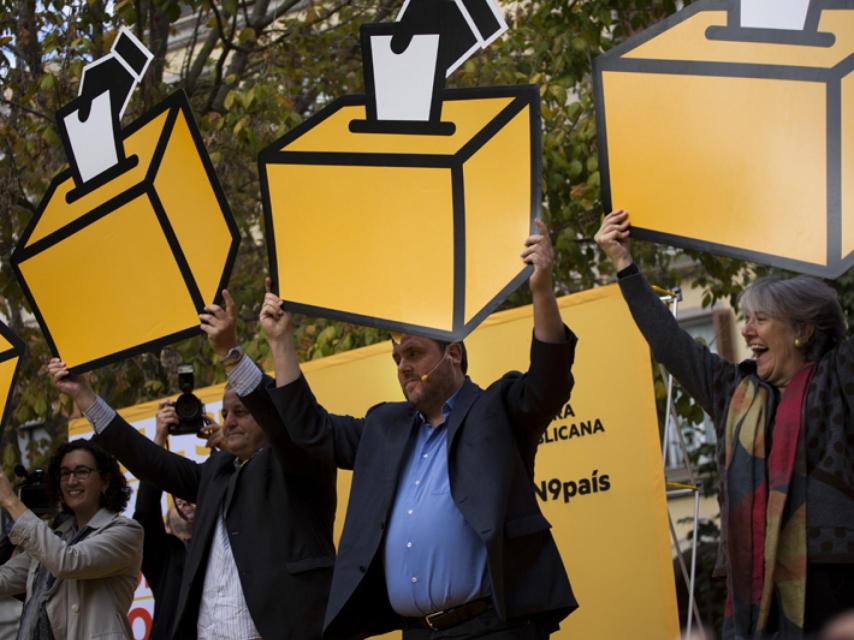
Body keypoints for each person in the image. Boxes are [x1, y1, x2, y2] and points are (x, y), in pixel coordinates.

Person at [258, 218, 577, 638]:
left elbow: (549, 381)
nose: (403, 366)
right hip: (418, 632)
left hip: (493, 629)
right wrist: (281, 342)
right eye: (396, 358)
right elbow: (310, 430)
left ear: (455, 355)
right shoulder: (384, 426)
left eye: (414, 353)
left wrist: (541, 288)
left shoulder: (495, 409)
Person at [595, 209, 854, 638]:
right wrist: (623, 264)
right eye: (746, 318)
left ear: (802, 332)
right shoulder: (731, 390)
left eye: (759, 319)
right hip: (752, 586)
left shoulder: (838, 379)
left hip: (831, 580)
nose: (747, 329)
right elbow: (669, 343)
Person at [47, 289, 338, 640]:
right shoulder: (218, 473)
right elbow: (150, 462)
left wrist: (231, 354)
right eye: (225, 413)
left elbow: (285, 424)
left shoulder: (300, 461)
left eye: (242, 412)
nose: (228, 422)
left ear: (266, 415)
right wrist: (85, 397)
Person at [0, 439, 142, 639]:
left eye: (81, 471)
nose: (71, 481)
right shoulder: (56, 536)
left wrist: (10, 501)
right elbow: (3, 579)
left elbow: (67, 561)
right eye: (65, 473)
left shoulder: (125, 531)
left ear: (105, 481)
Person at [132, 400, 219, 639]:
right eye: (177, 497)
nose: (184, 501)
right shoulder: (162, 555)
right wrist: (159, 437)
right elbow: (145, 512)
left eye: (190, 495)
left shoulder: (221, 543)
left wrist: (224, 447)